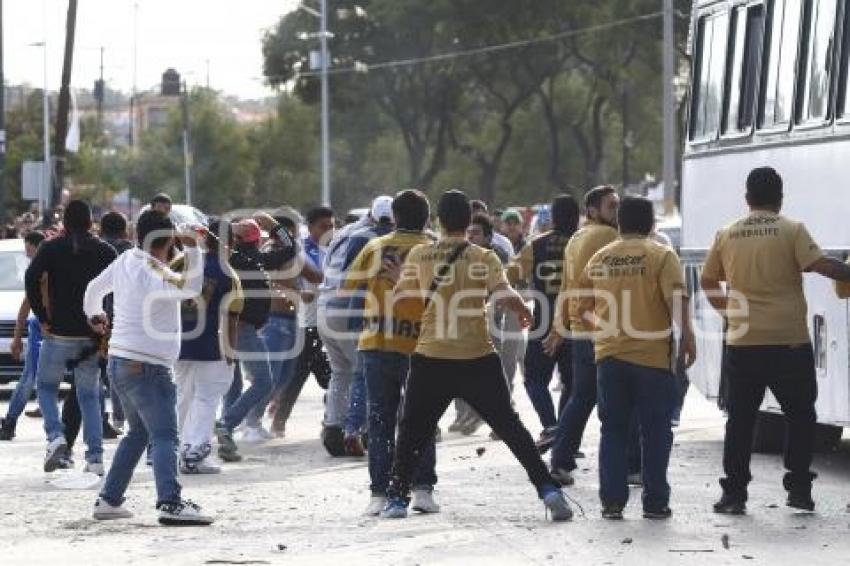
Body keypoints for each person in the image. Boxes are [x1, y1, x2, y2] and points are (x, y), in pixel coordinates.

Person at [381, 190, 572, 521]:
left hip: (431, 357)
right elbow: (504, 292)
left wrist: (403, 281)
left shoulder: (419, 256)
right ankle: (549, 490)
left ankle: (397, 499)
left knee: (412, 429)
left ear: (437, 221)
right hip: (477, 358)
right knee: (511, 428)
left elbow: (401, 298)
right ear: (468, 223)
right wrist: (521, 310)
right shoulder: (484, 257)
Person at [700, 167, 850, 514]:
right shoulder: (791, 230)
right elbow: (824, 266)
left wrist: (729, 313)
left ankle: (734, 494)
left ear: (747, 198)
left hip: (743, 342)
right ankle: (798, 489)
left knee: (740, 420)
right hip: (789, 343)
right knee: (800, 415)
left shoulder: (727, 233)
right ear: (780, 199)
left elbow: (708, 280)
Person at [84, 209, 211, 525]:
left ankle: (109, 499)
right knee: (166, 435)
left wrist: (96, 315)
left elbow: (92, 290)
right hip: (147, 367)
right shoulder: (152, 271)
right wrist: (194, 248)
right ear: (167, 239)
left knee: (138, 433)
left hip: (120, 362)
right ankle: (170, 502)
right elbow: (189, 289)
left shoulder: (127, 260)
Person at [575, 196, 696, 520]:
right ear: (652, 225)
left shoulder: (600, 258)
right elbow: (677, 300)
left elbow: (581, 309)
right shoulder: (661, 254)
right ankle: (655, 502)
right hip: (652, 359)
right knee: (655, 431)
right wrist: (688, 338)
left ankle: (612, 502)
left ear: (620, 224)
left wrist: (606, 330)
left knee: (613, 430)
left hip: (610, 358)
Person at [340, 190, 438, 515]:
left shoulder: (374, 246)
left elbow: (346, 288)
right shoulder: (432, 250)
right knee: (421, 420)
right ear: (427, 218)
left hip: (377, 343)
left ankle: (379, 493)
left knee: (380, 420)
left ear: (394, 217)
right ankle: (423, 490)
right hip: (421, 347)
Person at [25, 201, 117, 473]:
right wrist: (106, 322)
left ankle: (55, 436)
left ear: (64, 222)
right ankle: (95, 458)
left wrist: (42, 317)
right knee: (89, 396)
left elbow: (31, 278)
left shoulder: (51, 248)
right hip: (91, 334)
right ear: (91, 222)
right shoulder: (105, 251)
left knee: (46, 388)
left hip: (58, 332)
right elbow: (117, 289)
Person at [543, 186, 620, 486]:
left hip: (579, 329)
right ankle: (630, 466)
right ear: (592, 210)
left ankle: (560, 460)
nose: (617, 211)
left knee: (581, 397)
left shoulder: (577, 237)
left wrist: (559, 328)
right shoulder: (608, 237)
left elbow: (565, 287)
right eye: (611, 206)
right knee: (619, 400)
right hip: (602, 330)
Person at [216, 213, 296, 462]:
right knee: (264, 381)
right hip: (242, 328)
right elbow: (291, 247)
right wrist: (274, 226)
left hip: (237, 327)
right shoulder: (251, 259)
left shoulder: (240, 258)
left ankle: (226, 437)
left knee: (235, 384)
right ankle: (226, 424)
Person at [317, 196, 393, 456]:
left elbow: (326, 266)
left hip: (325, 309)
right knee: (365, 374)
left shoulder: (345, 232)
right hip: (349, 311)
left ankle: (333, 430)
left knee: (340, 373)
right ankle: (360, 431)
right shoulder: (376, 238)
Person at [506, 195, 580, 451]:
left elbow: (509, 276)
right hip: (577, 324)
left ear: (553, 218)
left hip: (544, 323)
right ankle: (566, 435)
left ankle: (551, 427)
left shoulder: (535, 245)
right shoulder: (583, 244)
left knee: (535, 379)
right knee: (572, 383)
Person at [242, 213, 322, 441]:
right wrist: (296, 293)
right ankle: (251, 422)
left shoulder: (294, 254)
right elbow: (265, 283)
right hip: (273, 321)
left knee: (286, 375)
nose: (296, 236)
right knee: (271, 376)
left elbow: (315, 275)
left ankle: (254, 417)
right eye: (292, 231)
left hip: (292, 319)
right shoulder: (269, 252)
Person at [174, 220, 243, 474]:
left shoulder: (181, 262)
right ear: (230, 243)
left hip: (177, 342)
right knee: (206, 399)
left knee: (184, 396)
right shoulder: (228, 274)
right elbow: (231, 319)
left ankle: (179, 449)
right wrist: (231, 354)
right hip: (212, 344)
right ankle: (195, 453)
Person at [271, 206, 334, 436]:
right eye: (323, 227)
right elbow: (313, 277)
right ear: (310, 228)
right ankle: (278, 420)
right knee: (300, 375)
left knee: (332, 375)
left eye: (331, 226)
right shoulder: (299, 250)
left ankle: (332, 419)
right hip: (306, 321)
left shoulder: (333, 249)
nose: (329, 231)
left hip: (329, 320)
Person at [0, 231, 47, 440]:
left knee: (30, 378)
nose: (28, 256)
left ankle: (10, 422)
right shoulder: (55, 266)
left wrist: (18, 337)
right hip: (59, 328)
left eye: (29, 250)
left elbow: (26, 305)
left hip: (42, 327)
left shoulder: (39, 269)